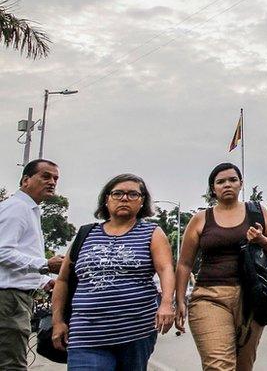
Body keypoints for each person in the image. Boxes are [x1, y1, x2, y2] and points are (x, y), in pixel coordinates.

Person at [50, 173, 176, 370]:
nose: (125, 198)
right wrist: (57, 321)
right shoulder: (85, 234)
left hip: (136, 333)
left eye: (133, 194)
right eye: (118, 193)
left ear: (142, 202)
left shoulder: (152, 232)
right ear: (106, 199)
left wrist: (167, 304)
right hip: (86, 334)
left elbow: (166, 268)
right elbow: (64, 280)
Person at [175, 163, 267, 371]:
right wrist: (178, 300)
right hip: (209, 297)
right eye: (220, 182)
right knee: (219, 366)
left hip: (253, 298)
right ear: (213, 189)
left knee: (244, 365)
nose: (227, 185)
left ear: (241, 184)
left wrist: (261, 239)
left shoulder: (257, 212)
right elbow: (184, 264)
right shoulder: (200, 219)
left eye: (232, 180)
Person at [0, 159, 64, 370]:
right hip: (9, 298)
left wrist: (44, 280)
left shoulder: (28, 209)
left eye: (55, 178)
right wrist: (45, 264)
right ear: (25, 180)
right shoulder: (17, 208)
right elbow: (3, 252)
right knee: (11, 364)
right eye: (45, 176)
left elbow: (19, 255)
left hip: (16, 295)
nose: (52, 182)